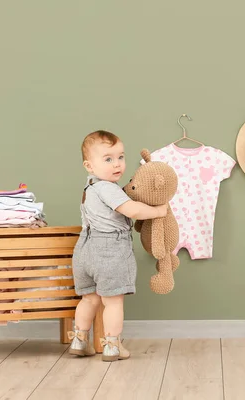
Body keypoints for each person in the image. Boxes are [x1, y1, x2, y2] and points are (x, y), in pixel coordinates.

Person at [67, 130, 167, 361]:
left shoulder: (89, 188)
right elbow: (131, 210)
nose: (117, 164)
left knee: (88, 299)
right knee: (113, 302)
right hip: (109, 250)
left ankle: (80, 340)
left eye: (120, 157)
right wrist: (158, 211)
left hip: (84, 250)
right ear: (89, 165)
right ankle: (112, 346)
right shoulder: (108, 188)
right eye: (108, 159)